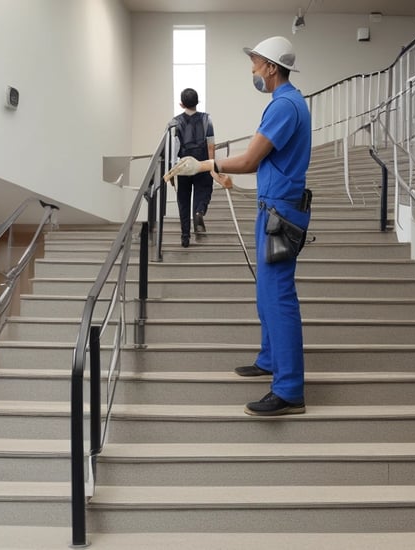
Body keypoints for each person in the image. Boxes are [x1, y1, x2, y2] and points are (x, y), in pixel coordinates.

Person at [164, 36, 312, 416]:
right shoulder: (289, 103)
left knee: (278, 296)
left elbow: (248, 161)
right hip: (274, 206)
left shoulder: (284, 106)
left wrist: (205, 166)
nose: (253, 70)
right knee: (266, 291)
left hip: (281, 210)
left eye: (256, 63)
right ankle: (268, 359)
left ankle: (290, 389)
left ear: (271, 68)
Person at [168, 88, 215, 248]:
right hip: (202, 162)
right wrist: (212, 164)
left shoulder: (174, 122)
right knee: (204, 191)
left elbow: (173, 149)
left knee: (183, 200)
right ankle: (199, 212)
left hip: (184, 164)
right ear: (197, 102)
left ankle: (185, 237)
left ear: (181, 104)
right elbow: (211, 144)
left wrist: (172, 171)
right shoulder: (207, 119)